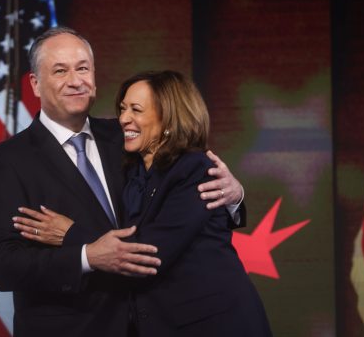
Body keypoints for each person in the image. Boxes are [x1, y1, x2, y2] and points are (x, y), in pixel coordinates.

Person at [0, 27, 246, 337]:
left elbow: (179, 195)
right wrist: (85, 256)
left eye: (82, 68)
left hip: (152, 325)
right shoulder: (8, 162)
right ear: (35, 84)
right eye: (60, 71)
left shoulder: (129, 136)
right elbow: (2, 266)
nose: (75, 80)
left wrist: (235, 195)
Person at [15, 70, 272, 336]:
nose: (123, 119)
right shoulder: (132, 169)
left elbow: (150, 253)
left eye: (136, 110)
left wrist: (71, 235)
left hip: (215, 324)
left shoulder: (195, 170)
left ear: (168, 119)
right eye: (123, 108)